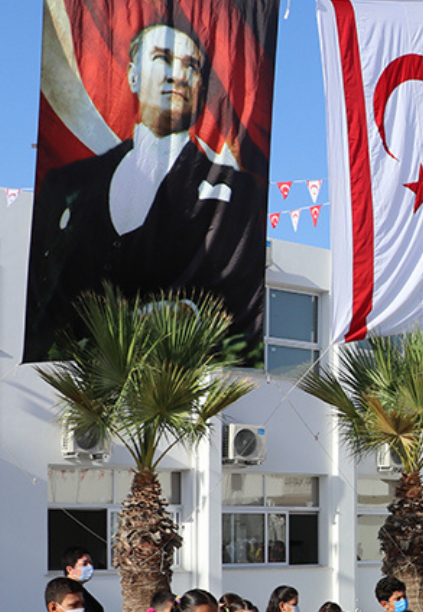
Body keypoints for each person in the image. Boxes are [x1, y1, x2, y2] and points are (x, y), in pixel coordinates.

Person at [26, 22, 264, 362]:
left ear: (201, 87)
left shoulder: (236, 193)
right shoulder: (69, 185)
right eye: (163, 58)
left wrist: (188, 323)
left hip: (170, 385)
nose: (179, 75)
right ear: (133, 75)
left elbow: (245, 310)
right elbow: (42, 296)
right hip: (74, 386)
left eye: (192, 66)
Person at [60, 548, 106, 612]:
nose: (90, 567)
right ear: (70, 569)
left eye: (90, 563)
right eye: (84, 564)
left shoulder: (76, 590)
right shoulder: (74, 592)